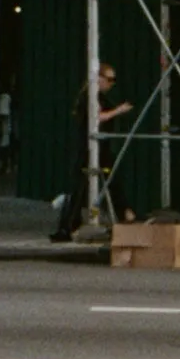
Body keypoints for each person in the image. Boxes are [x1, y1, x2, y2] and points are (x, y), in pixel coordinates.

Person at [49, 62, 131, 239]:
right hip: (90, 148)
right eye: (109, 79)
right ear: (99, 79)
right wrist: (118, 111)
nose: (111, 84)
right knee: (81, 187)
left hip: (102, 147)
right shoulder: (90, 97)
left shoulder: (100, 98)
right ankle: (70, 224)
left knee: (110, 181)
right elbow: (97, 118)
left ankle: (124, 213)